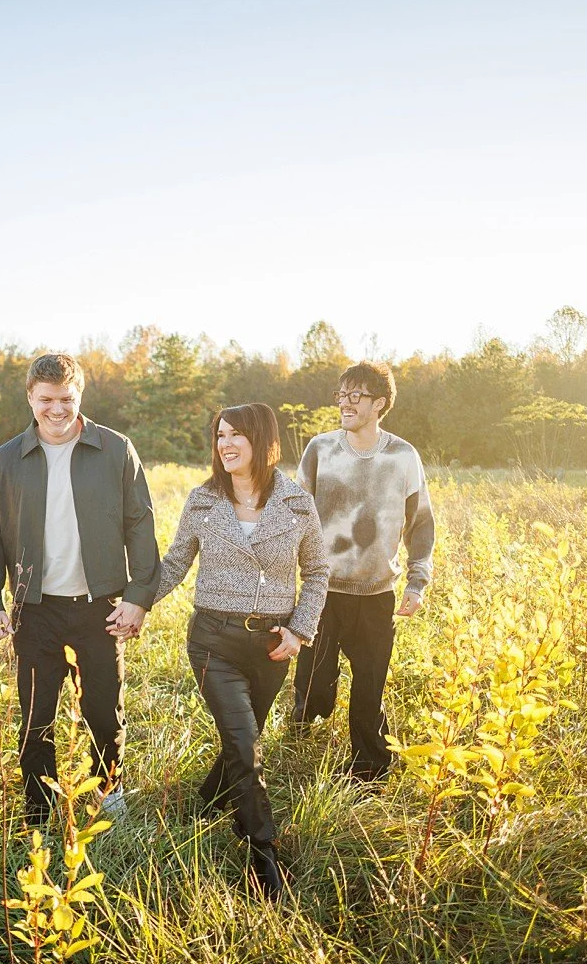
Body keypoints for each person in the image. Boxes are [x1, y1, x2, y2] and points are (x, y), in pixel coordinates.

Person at [0, 353, 161, 827]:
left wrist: (138, 598)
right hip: (34, 609)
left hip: (100, 607)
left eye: (66, 399)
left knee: (103, 709)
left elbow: (140, 525)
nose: (56, 409)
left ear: (80, 396)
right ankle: (38, 811)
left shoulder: (115, 449)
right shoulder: (6, 459)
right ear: (30, 398)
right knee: (36, 716)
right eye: (46, 400)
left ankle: (108, 792)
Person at [153, 402, 329, 898]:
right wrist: (133, 605)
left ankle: (208, 801)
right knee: (245, 743)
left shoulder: (296, 503)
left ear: (263, 441)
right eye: (220, 435)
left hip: (272, 645)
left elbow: (317, 571)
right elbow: (175, 563)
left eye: (236, 435)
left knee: (241, 738)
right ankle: (263, 851)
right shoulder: (203, 500)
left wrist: (300, 631)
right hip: (214, 641)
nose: (225, 444)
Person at [292, 360, 435, 783]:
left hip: (376, 594)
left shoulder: (402, 456)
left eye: (356, 395)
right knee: (314, 686)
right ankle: (300, 732)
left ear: (380, 403)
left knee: (369, 688)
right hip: (322, 592)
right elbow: (295, 513)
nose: (345, 403)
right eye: (342, 395)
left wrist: (417, 582)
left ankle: (369, 771)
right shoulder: (320, 449)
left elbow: (420, 522)